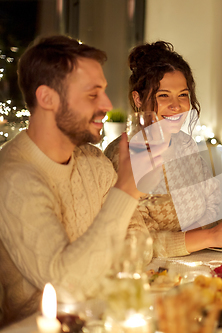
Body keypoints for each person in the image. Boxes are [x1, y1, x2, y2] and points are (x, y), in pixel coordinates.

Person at [0, 35, 146, 328]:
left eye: (103, 91)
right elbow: (67, 286)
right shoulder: (13, 179)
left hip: (103, 318)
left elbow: (140, 240)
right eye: (92, 95)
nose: (107, 104)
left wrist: (94, 270)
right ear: (47, 98)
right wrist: (126, 189)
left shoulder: (94, 162)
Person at [104, 41, 222, 258]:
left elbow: (213, 203)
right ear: (138, 98)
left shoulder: (185, 143)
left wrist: (217, 231)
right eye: (163, 95)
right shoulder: (123, 155)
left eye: (183, 95)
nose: (176, 105)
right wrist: (209, 237)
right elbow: (137, 243)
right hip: (150, 276)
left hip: (202, 261)